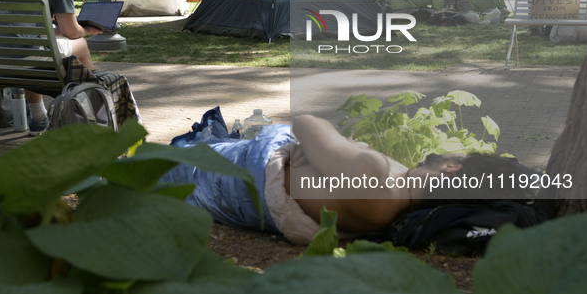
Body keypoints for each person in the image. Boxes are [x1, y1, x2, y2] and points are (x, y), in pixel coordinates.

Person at [163, 114, 538, 245]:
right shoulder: (395, 203)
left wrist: (331, 142)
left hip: (221, 177)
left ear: (452, 169)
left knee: (149, 166)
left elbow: (307, 123)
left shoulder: (375, 178)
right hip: (244, 194)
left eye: (458, 156)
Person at [0, 0, 103, 135]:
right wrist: (85, 30)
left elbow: (25, 29)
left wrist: (59, 31)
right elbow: (72, 32)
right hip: (27, 58)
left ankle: (38, 117)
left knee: (38, 43)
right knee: (80, 44)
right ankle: (91, 108)